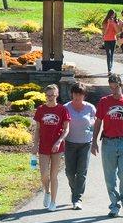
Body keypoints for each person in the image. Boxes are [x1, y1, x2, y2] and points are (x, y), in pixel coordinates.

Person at [91, 73, 123, 218]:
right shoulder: (104, 102)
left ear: (121, 85)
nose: (113, 90)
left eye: (116, 87)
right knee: (110, 176)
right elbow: (98, 122)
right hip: (108, 142)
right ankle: (114, 205)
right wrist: (94, 141)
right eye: (111, 88)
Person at [31, 84, 71, 212]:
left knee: (53, 175)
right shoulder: (41, 109)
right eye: (48, 95)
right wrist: (35, 145)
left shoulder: (62, 110)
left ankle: (53, 202)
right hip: (43, 146)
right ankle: (46, 192)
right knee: (44, 174)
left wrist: (59, 141)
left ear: (57, 95)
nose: (50, 98)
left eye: (52, 95)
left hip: (57, 147)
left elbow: (66, 129)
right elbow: (37, 129)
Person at [63, 82, 96, 210]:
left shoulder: (90, 108)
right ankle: (75, 191)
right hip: (70, 143)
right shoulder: (66, 107)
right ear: (72, 94)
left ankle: (77, 198)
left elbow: (96, 121)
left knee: (81, 172)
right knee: (70, 172)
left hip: (85, 144)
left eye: (80, 94)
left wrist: (91, 124)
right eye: (75, 94)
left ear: (84, 95)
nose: (77, 97)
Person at [102, 9, 119, 75]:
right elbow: (104, 33)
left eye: (114, 15)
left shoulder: (116, 21)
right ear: (109, 15)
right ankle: (109, 70)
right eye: (112, 15)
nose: (113, 16)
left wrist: (114, 23)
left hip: (113, 40)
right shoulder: (105, 22)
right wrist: (109, 24)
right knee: (108, 55)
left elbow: (117, 31)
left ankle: (110, 69)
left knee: (111, 55)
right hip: (106, 40)